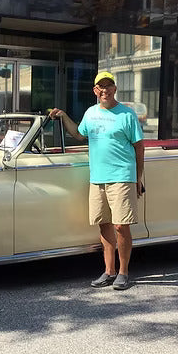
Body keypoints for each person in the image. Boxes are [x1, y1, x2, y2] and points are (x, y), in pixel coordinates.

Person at [49, 71, 144, 290]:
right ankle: (109, 271)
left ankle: (123, 272)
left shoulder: (126, 115)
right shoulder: (90, 113)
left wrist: (137, 178)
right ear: (95, 90)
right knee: (104, 225)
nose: (105, 90)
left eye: (109, 85)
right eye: (100, 86)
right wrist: (63, 116)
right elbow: (79, 134)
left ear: (115, 89)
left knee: (121, 226)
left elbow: (139, 148)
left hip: (122, 177)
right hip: (98, 178)